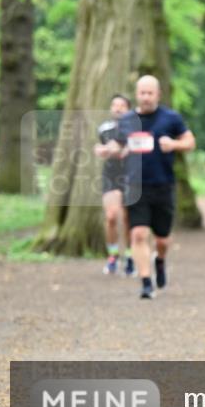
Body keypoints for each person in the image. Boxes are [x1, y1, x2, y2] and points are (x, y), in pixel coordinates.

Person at [116, 75, 196, 299]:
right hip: (135, 185)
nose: (146, 97)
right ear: (136, 94)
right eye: (142, 93)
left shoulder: (171, 118)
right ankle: (145, 281)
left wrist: (174, 144)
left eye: (150, 93)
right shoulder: (127, 120)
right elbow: (118, 146)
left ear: (158, 95)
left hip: (162, 185)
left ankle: (159, 260)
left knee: (162, 239)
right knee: (139, 233)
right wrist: (108, 150)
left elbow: (190, 142)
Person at [95, 94, 134, 276]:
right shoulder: (104, 129)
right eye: (114, 105)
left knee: (128, 218)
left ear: (128, 109)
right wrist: (101, 150)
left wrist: (122, 150)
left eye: (122, 105)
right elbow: (100, 147)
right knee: (111, 216)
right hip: (110, 175)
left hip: (130, 175)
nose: (117, 108)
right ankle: (112, 256)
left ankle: (130, 256)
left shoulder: (135, 127)